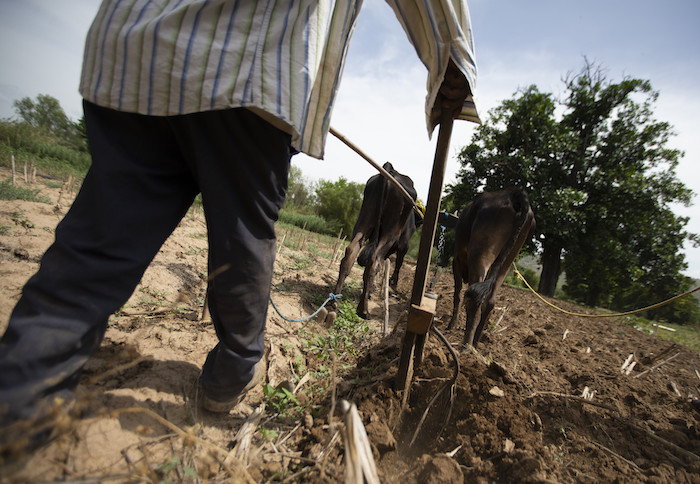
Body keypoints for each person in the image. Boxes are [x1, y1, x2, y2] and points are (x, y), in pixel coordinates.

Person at [0, 0, 479, 455]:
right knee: (242, 240)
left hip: (138, 50)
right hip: (249, 70)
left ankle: (22, 394)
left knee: (98, 243)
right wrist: (450, 58)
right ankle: (233, 371)